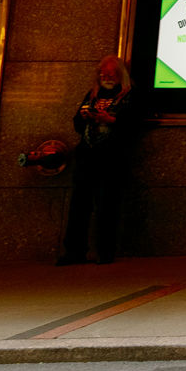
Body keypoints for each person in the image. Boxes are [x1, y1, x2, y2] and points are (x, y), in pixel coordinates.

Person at [59, 56, 145, 266]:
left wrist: (112, 120)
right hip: (87, 157)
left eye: (110, 75)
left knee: (107, 207)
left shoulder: (130, 96)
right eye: (102, 75)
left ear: (120, 76)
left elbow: (136, 125)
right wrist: (86, 117)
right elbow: (77, 123)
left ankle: (105, 252)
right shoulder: (93, 95)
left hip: (112, 158)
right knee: (79, 206)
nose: (106, 78)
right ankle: (74, 251)